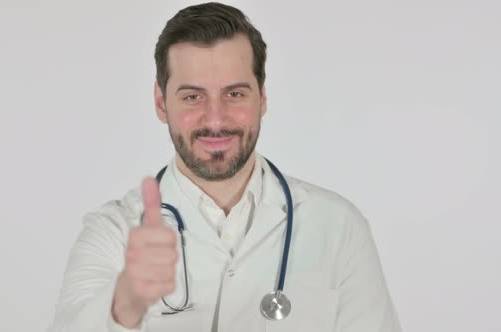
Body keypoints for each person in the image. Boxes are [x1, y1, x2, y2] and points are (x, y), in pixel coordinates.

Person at [49, 2, 401, 332]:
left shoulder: (338, 227)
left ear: (262, 97)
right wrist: (124, 301)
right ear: (161, 102)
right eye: (192, 96)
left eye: (234, 94)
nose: (215, 120)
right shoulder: (113, 232)